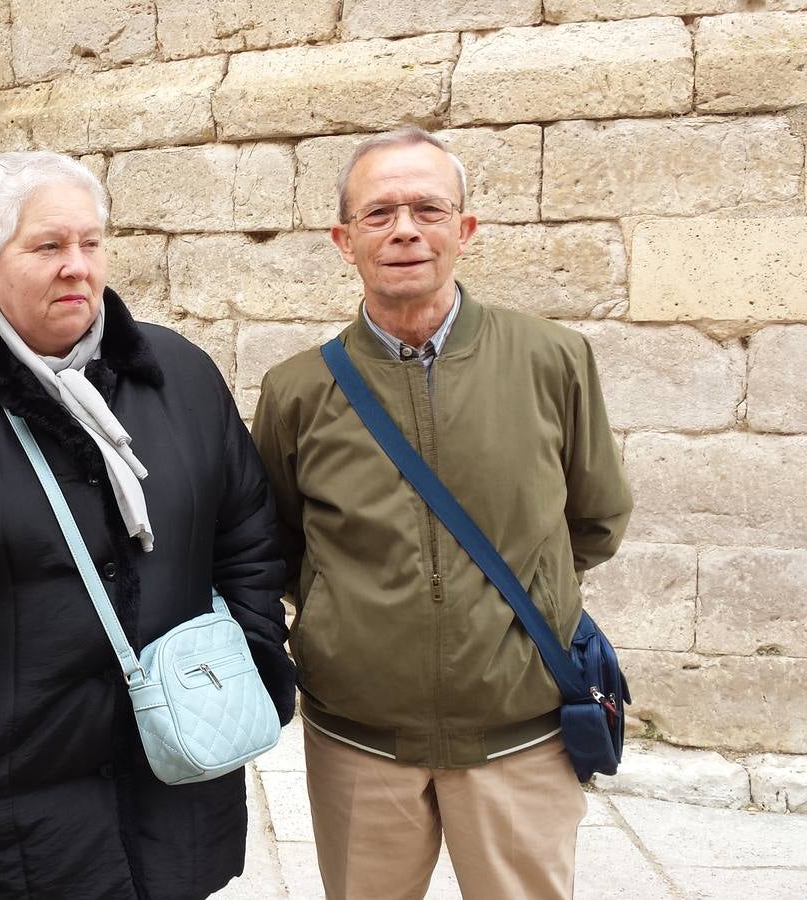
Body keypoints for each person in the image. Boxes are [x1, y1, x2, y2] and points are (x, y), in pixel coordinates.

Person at [0, 150, 298, 899]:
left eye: (90, 242)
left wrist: (253, 652)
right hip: (8, 794)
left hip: (176, 775)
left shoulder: (180, 374)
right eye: (48, 245)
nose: (76, 266)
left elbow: (245, 532)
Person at [251, 127, 633, 899]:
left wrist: (513, 612)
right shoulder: (298, 391)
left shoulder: (552, 359)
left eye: (428, 209)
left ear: (464, 229)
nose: (405, 230)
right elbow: (280, 545)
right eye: (379, 213)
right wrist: (348, 622)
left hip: (519, 734)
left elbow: (595, 519)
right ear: (344, 240)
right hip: (359, 741)